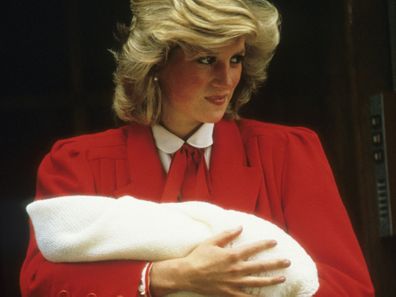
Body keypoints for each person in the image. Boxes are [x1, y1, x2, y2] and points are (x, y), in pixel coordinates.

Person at [20, 0, 375, 296]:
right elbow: (41, 284)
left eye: (235, 59)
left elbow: (349, 287)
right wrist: (163, 278)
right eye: (206, 60)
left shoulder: (288, 152)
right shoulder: (77, 162)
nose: (227, 79)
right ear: (155, 63)